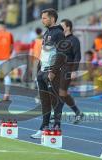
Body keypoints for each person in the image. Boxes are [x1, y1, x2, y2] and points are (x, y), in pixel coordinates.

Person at [30, 8, 66, 139]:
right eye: (42, 17)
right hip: (42, 72)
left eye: (45, 18)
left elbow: (62, 54)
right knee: (44, 101)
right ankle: (44, 127)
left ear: (52, 18)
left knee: (55, 99)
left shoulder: (58, 34)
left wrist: (53, 71)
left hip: (52, 73)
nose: (42, 20)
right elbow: (44, 53)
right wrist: (38, 70)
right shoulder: (46, 33)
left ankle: (57, 125)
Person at [59, 19, 83, 124]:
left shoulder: (74, 40)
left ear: (68, 27)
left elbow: (77, 56)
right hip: (59, 69)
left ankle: (76, 112)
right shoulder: (60, 39)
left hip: (68, 68)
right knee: (59, 93)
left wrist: (74, 71)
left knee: (62, 92)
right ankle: (76, 112)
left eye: (62, 26)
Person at [0, 21, 14, 101]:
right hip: (6, 58)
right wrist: (8, 54)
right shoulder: (9, 35)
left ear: (0, 26)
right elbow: (12, 47)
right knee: (7, 76)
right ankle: (7, 94)